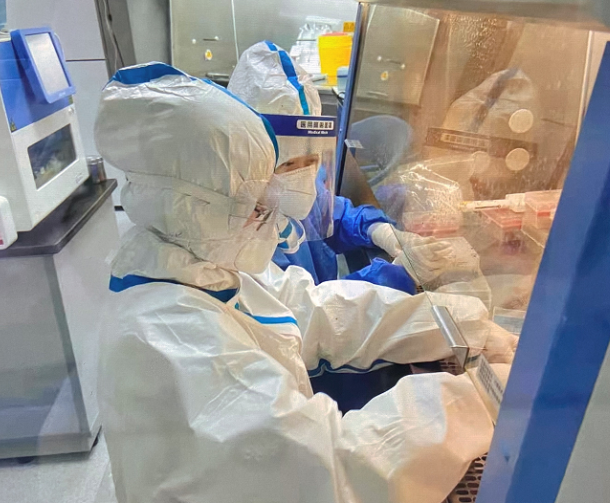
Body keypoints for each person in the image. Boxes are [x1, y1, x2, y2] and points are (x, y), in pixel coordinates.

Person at [94, 62, 494, 503]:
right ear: (189, 208)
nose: (275, 222)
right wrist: (477, 400)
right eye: (257, 207)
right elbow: (330, 471)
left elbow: (312, 312)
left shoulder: (197, 265)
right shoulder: (172, 338)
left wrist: (458, 321)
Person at [229, 41, 451, 289]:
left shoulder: (303, 182)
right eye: (289, 163)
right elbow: (303, 304)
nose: (302, 173)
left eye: (311, 160)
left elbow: (334, 215)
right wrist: (396, 275)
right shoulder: (235, 226)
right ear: (252, 156)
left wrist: (379, 231)